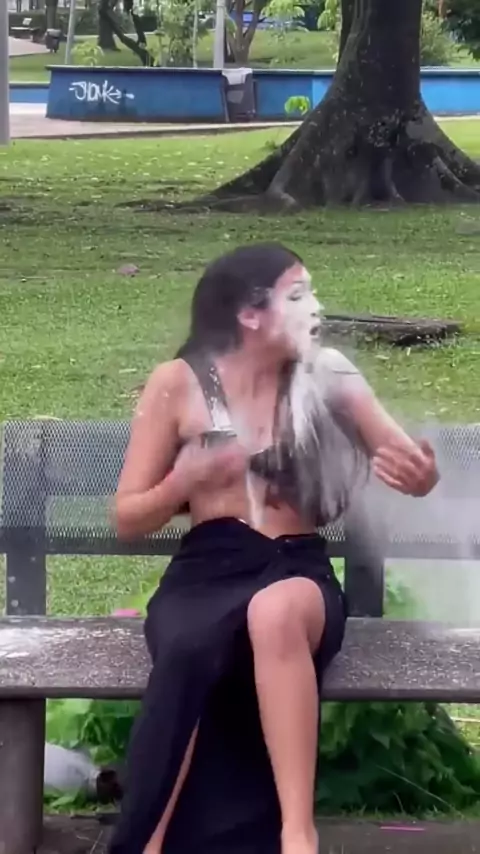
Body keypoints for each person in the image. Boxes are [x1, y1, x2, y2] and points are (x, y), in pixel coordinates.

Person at [108, 243, 439, 854]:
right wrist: (184, 483)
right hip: (208, 568)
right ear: (250, 314)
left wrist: (419, 475)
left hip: (296, 566)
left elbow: (406, 463)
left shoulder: (329, 373)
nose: (316, 308)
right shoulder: (178, 384)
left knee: (276, 610)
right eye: (298, 296)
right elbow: (127, 517)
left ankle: (296, 834)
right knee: (188, 644)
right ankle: (147, 840)